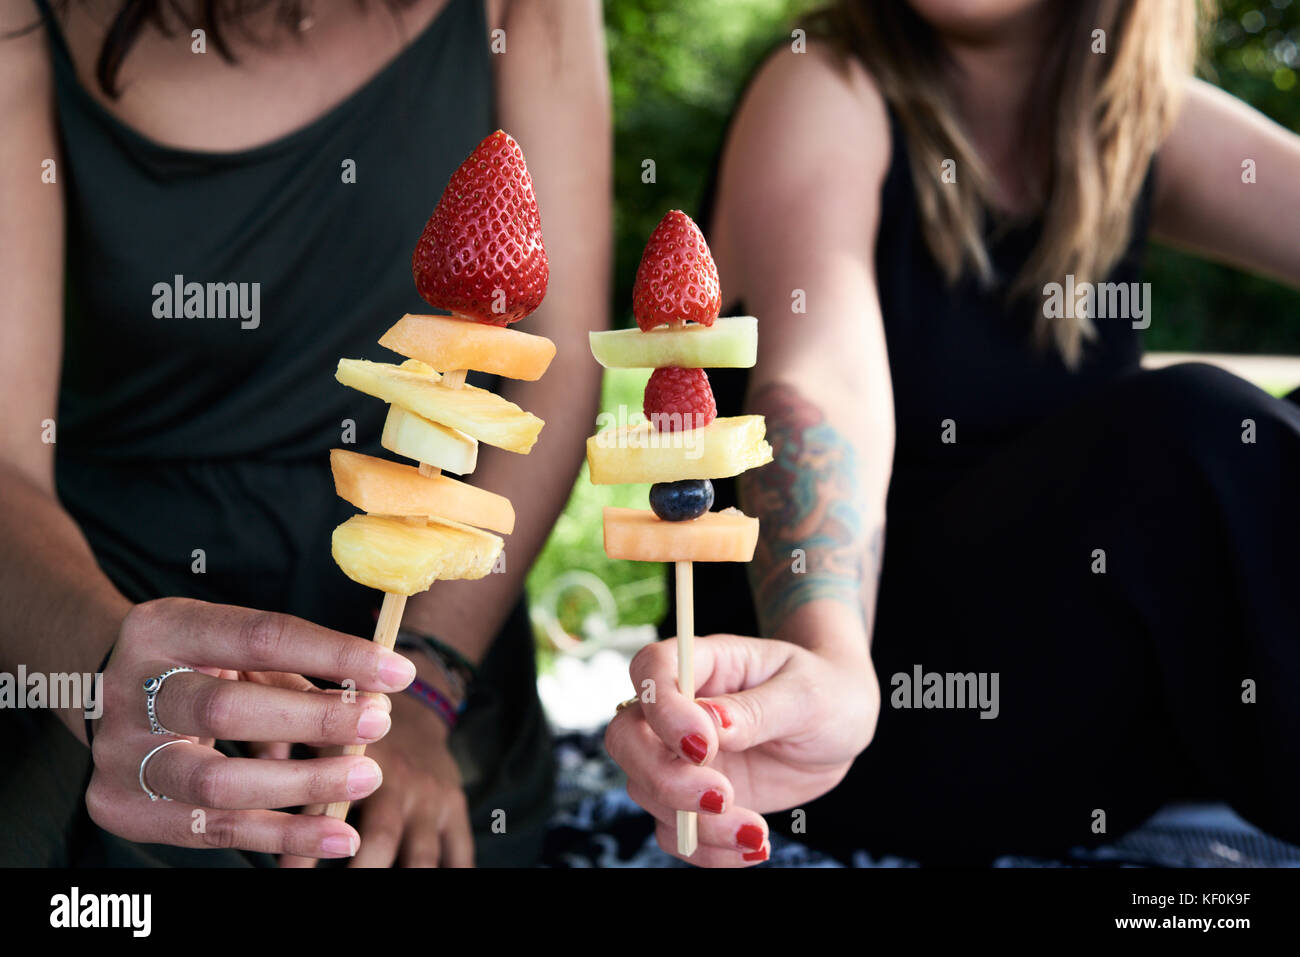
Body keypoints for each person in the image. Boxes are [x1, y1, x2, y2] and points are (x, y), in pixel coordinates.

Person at [606, 0, 1300, 866]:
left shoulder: (1132, 114)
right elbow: (818, 381)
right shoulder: (825, 82)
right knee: (1196, 434)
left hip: (1084, 711)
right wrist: (831, 659)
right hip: (858, 719)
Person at [0, 0, 609, 867]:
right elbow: (4, 455)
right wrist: (106, 673)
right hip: (88, 610)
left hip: (430, 642)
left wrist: (427, 684)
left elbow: (553, 370)